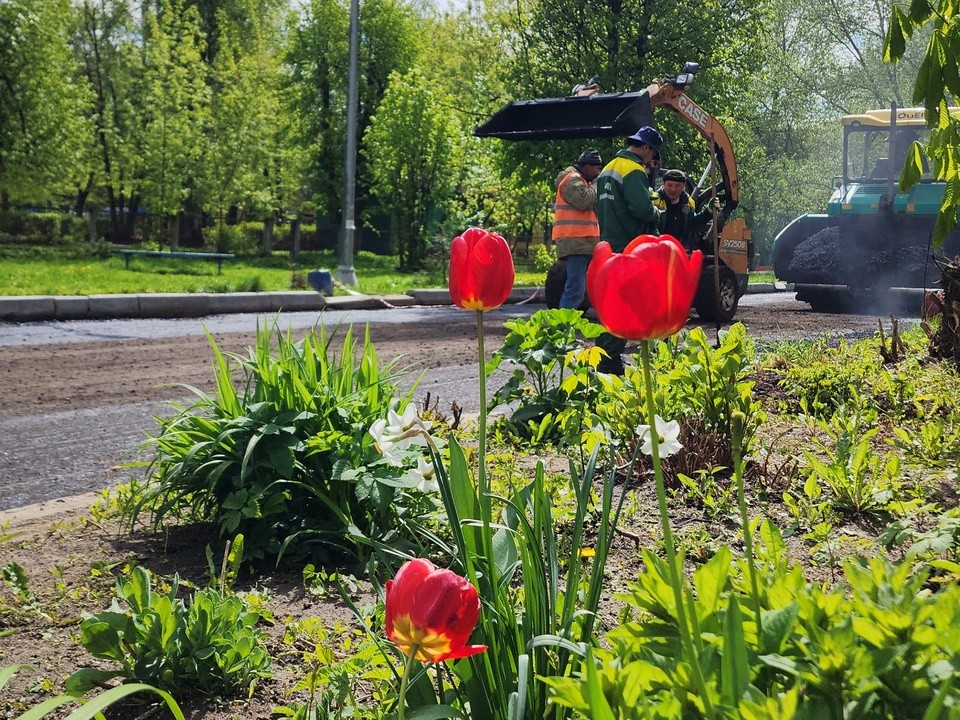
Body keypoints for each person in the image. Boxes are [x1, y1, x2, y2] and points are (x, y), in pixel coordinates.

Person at [594, 126, 664, 374]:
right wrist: (658, 213)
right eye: (652, 153)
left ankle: (603, 355)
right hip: (629, 246)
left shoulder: (607, 168)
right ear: (645, 147)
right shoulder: (633, 169)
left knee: (612, 305)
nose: (651, 159)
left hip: (609, 245)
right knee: (628, 305)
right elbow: (641, 208)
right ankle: (610, 359)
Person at [552, 148, 603, 310]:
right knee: (575, 289)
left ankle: (565, 326)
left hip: (584, 243)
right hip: (576, 243)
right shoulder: (571, 179)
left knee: (579, 288)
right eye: (597, 169)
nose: (598, 172)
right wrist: (597, 184)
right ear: (588, 167)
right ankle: (561, 328)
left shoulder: (580, 180)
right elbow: (584, 201)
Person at [652, 168, 718, 251]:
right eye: (669, 185)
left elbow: (693, 223)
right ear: (663, 184)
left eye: (677, 186)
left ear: (683, 186)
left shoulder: (688, 203)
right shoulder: (654, 200)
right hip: (656, 248)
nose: (673, 189)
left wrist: (708, 211)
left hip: (678, 250)